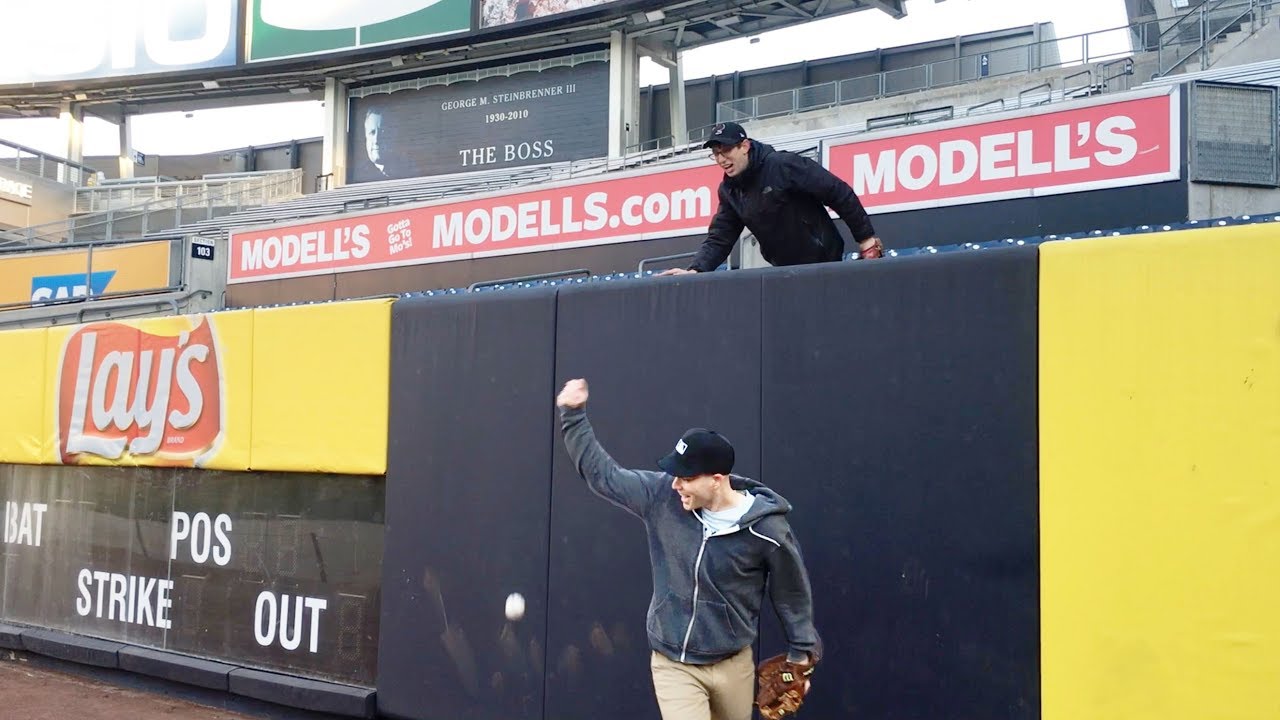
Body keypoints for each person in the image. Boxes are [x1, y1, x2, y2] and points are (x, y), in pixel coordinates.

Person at [556, 378, 821, 720]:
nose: (676, 484)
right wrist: (574, 415)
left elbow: (791, 593)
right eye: (675, 475)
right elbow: (603, 476)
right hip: (674, 664)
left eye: (686, 477)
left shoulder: (766, 529)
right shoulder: (660, 497)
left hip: (732, 665)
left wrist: (801, 658)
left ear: (716, 478)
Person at [661, 121, 882, 275]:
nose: (721, 159)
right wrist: (696, 269)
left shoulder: (783, 165)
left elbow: (838, 192)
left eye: (726, 150)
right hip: (783, 271)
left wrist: (866, 240)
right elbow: (720, 238)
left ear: (745, 146)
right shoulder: (729, 191)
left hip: (824, 263)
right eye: (716, 154)